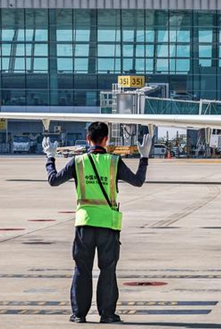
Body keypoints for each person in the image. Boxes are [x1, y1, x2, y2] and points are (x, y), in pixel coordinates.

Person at [43, 123, 152, 324]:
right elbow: (138, 181)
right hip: (108, 225)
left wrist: (50, 157)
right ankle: (107, 314)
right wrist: (144, 157)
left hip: (84, 222)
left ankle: (79, 314)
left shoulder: (78, 162)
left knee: (82, 270)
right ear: (106, 139)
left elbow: (53, 180)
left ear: (87, 139)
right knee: (108, 270)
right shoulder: (114, 162)